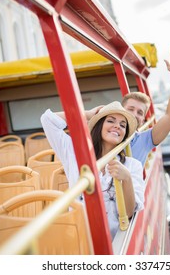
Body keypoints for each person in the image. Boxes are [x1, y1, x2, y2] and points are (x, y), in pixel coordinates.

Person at [40, 101, 145, 238]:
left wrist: (126, 179)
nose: (116, 126)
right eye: (110, 121)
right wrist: (87, 114)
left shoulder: (132, 165)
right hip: (80, 239)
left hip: (115, 243)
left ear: (124, 135)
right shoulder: (75, 154)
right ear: (99, 125)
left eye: (122, 125)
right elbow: (47, 120)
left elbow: (129, 213)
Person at [122, 44, 170, 165]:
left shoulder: (144, 140)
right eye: (131, 109)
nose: (135, 114)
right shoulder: (106, 133)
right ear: (121, 110)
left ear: (142, 120)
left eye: (140, 112)